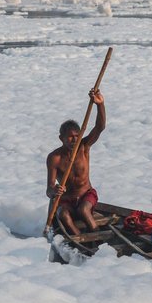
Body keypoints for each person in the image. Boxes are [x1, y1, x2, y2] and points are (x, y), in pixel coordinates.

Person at [46, 88, 106, 236]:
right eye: (70, 137)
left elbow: (100, 127)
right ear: (61, 138)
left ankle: (98, 239)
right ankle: (79, 240)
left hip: (86, 195)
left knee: (84, 210)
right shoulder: (55, 157)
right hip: (67, 200)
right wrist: (55, 191)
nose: (74, 140)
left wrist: (100, 104)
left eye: (76, 136)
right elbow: (49, 189)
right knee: (63, 216)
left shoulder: (84, 147)